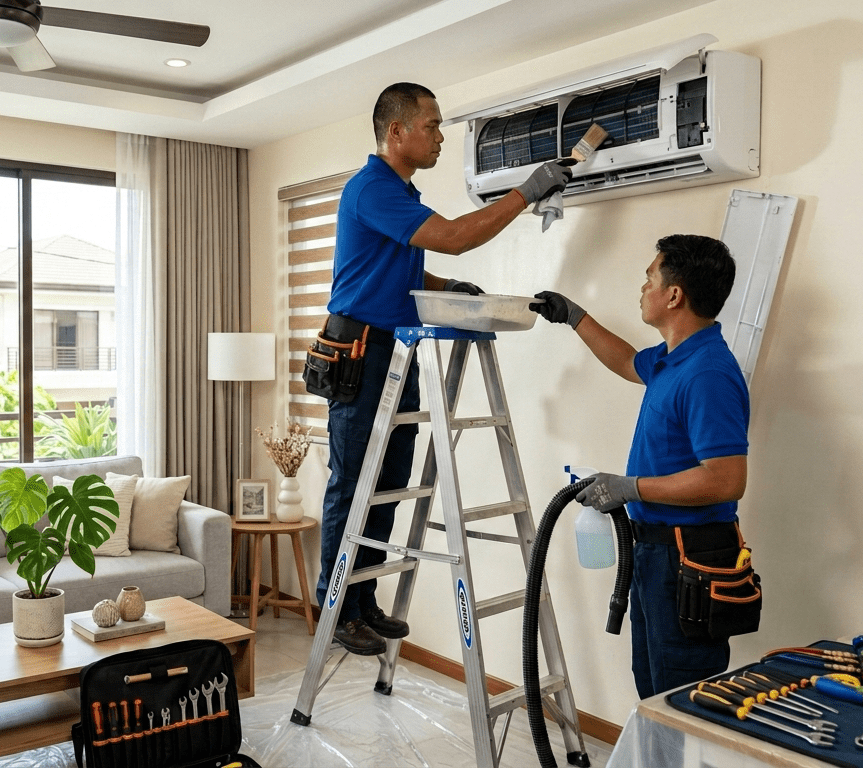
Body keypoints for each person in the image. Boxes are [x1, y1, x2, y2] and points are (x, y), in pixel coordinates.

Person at [315, 82, 575, 656]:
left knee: (387, 484)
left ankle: (362, 600)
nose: (438, 136)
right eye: (431, 126)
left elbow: (392, 272)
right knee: (354, 484)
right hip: (361, 349)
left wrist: (442, 288)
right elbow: (455, 238)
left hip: (392, 343)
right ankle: (335, 609)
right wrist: (526, 192)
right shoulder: (372, 189)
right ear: (396, 132)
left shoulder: (400, 192)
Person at [530, 234, 751, 697]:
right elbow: (628, 361)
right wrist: (575, 316)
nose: (643, 286)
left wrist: (630, 487)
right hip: (657, 554)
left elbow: (727, 480)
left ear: (674, 295)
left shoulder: (708, 372)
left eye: (650, 276)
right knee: (654, 691)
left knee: (683, 699)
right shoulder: (674, 359)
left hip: (687, 559)